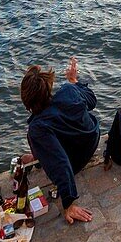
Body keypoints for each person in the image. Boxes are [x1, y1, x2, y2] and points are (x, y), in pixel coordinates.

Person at [21, 57, 98, 224]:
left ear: (27, 102)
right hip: (92, 138)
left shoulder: (37, 127)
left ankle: (38, 155)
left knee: (39, 137)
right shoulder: (68, 91)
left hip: (76, 160)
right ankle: (38, 156)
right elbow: (92, 101)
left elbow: (60, 162)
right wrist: (73, 80)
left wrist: (69, 203)